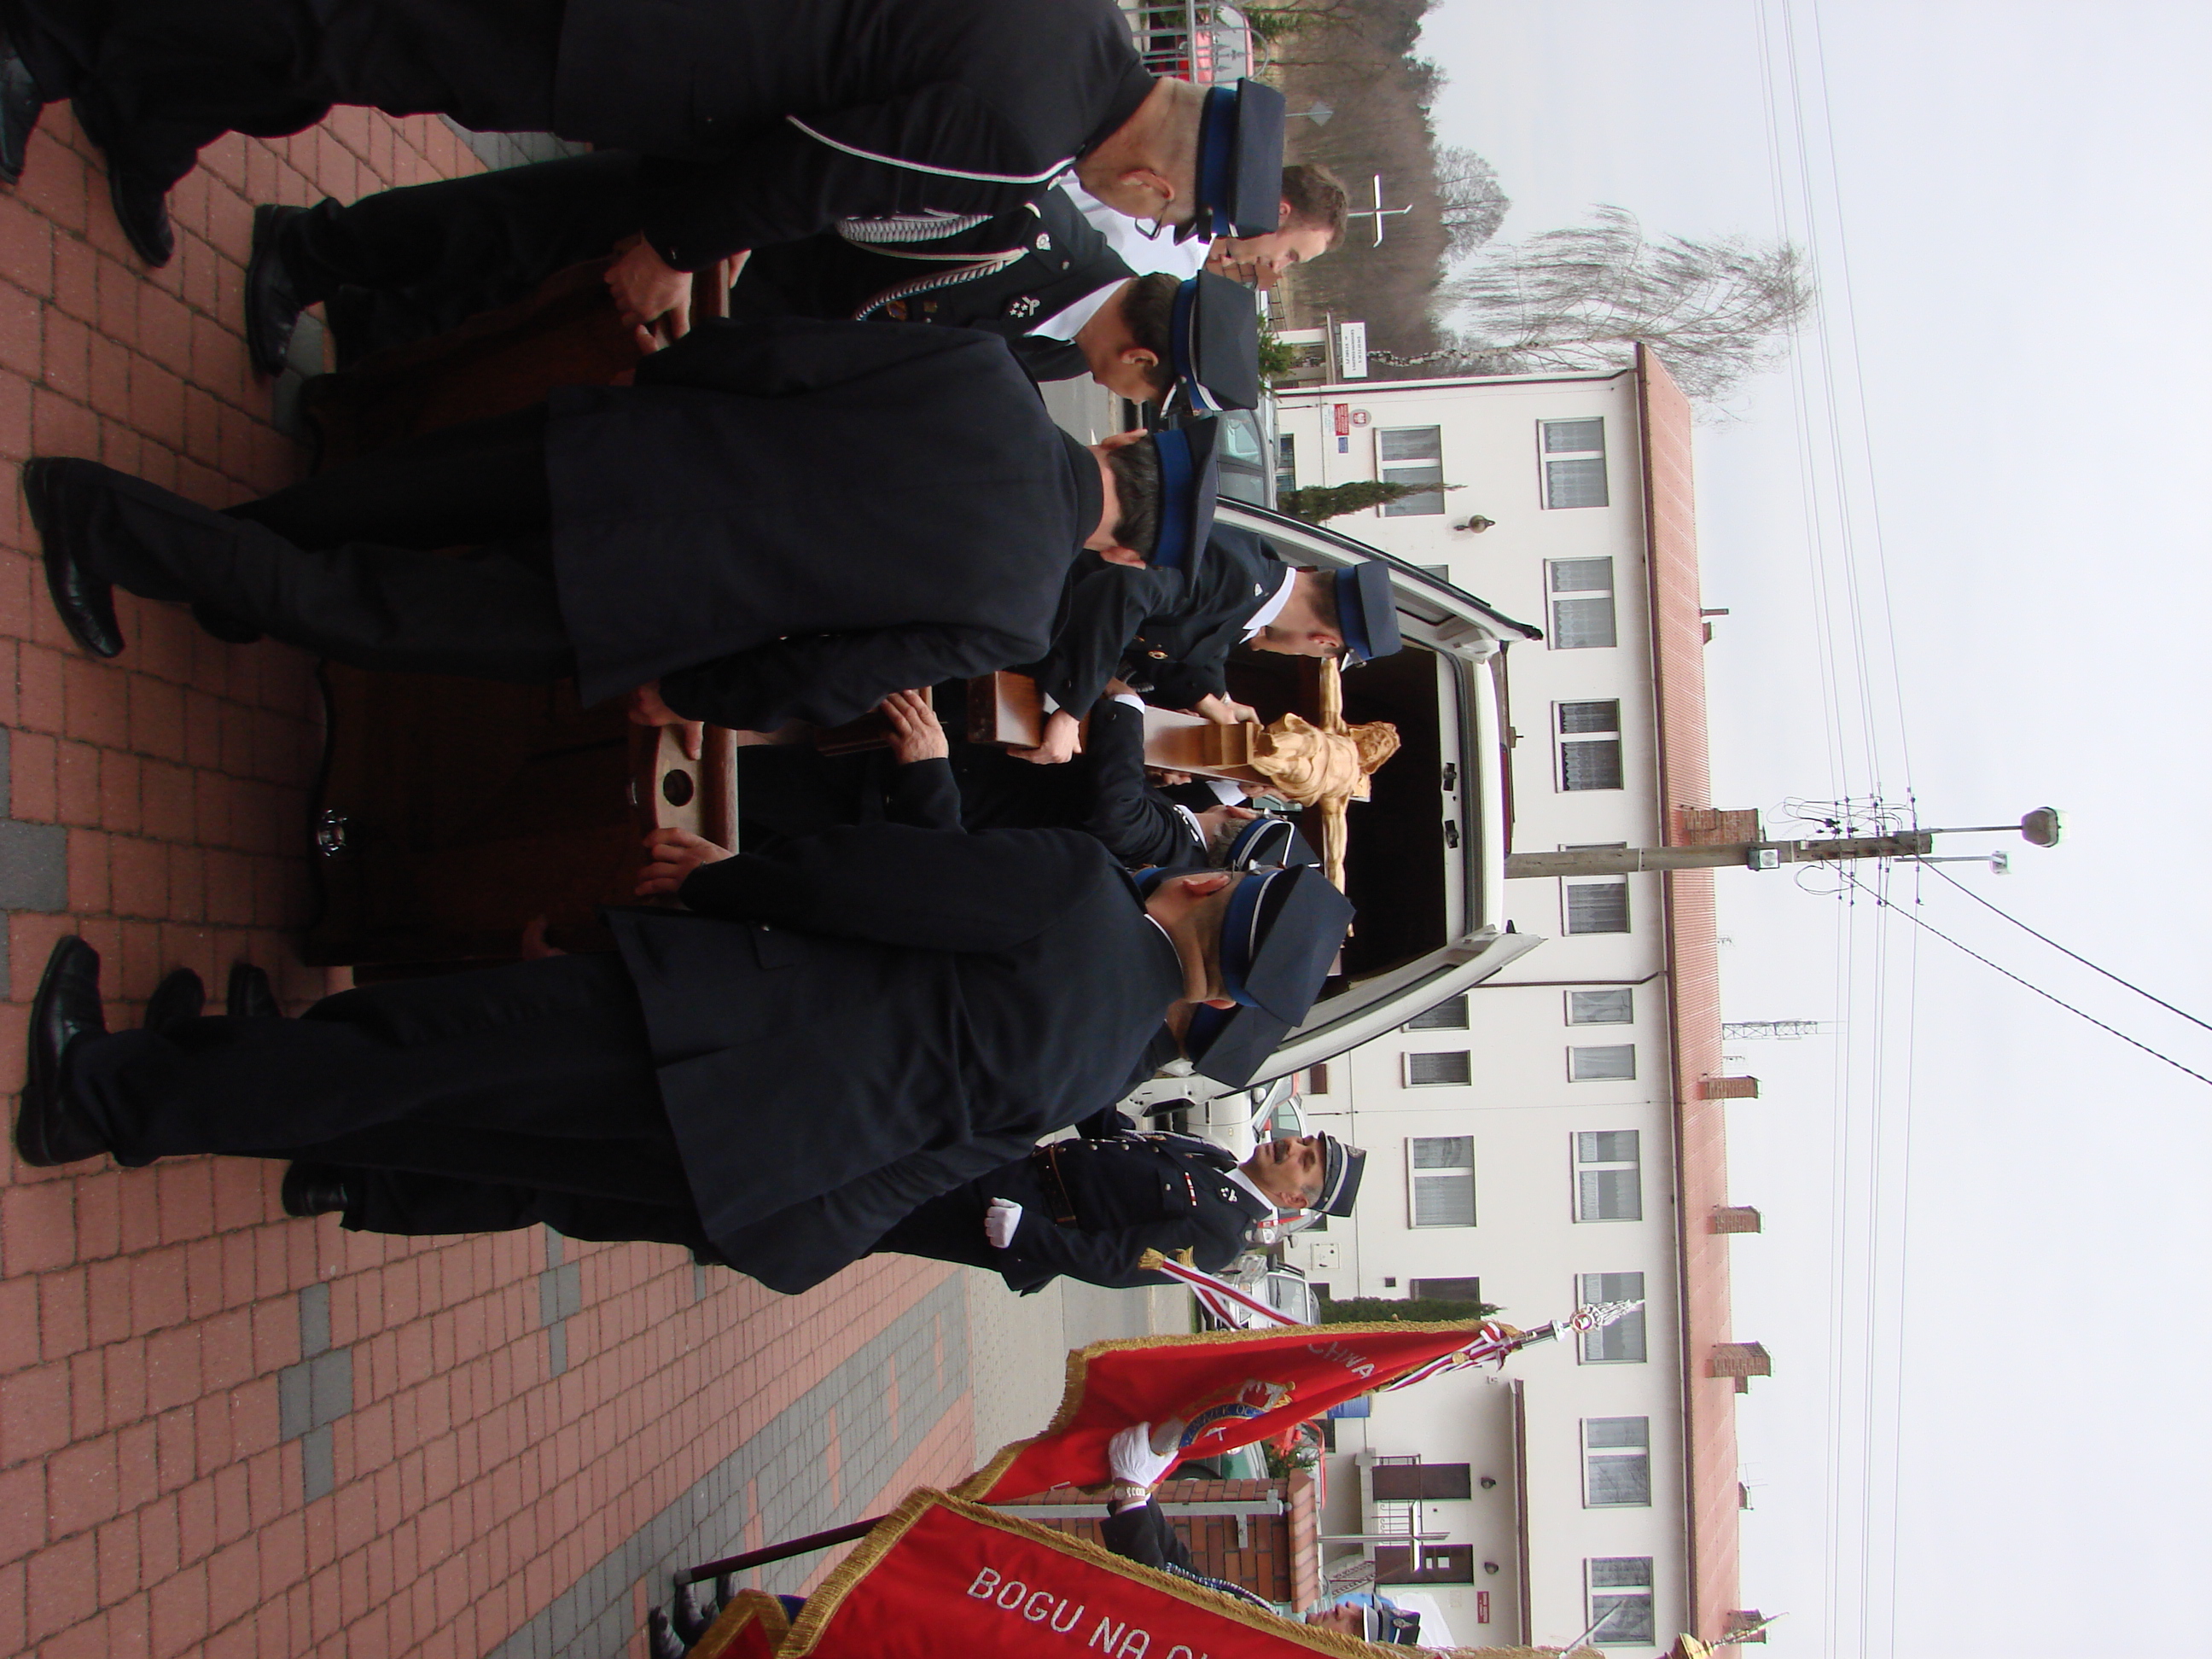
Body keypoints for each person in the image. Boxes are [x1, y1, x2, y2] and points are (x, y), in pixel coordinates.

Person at [19, 824, 1355, 1293]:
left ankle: (106, 1096)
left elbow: (860, 881)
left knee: (405, 1052)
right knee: (438, 1119)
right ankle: (188, 1072)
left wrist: (720, 882)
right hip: (739, 1151)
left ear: (1203, 885)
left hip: (706, 1031)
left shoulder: (1078, 894)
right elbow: (933, 1162)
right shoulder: (1112, 1067)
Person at [30, 317, 1216, 736]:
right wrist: (692, 694)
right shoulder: (1017, 615)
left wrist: (663, 384)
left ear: (1119, 441)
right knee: (372, 610)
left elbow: (779, 353)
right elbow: (829, 677)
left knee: (384, 495)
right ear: (1124, 553)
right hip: (652, 597)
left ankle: (221, 569)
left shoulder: (988, 375)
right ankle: (105, 522)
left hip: (635, 447)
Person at [0, 0, 1284, 275]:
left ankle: (149, 112)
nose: (1144, 217)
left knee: (357, 45)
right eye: (1163, 212)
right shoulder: (1022, 136)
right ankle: (49, 39)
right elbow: (813, 170)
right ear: (1155, 179)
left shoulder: (1080, 20)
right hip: (641, 44)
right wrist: (673, 247)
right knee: (353, 35)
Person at [242, 157, 1260, 416]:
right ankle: (310, 249)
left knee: (531, 296)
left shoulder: (1058, 351)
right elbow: (844, 187)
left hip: (735, 314)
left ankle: (371, 320)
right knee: (519, 225)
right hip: (721, 231)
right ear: (1142, 356)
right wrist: (703, 242)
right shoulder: (1026, 222)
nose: (1130, 400)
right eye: (1148, 390)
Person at [1022, 527, 1408, 765]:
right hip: (1025, 600)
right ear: (1325, 642)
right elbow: (1126, 591)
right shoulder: (1238, 579)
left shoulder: (1258, 578)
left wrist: (1214, 700)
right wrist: (1072, 710)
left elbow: (1177, 636)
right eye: (1321, 655)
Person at [873, 1124, 1365, 1292]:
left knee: (876, 1217)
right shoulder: (1216, 1159)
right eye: (1304, 1141)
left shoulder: (1220, 1237)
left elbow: (1117, 1263)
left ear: (1293, 1200)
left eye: (1305, 1161)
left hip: (1010, 1214)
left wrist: (1027, 1234)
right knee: (882, 1173)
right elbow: (1119, 1141)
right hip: (1017, 1166)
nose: (1292, 1146)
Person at [1058, 162, 1352, 288]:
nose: (1278, 266)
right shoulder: (1181, 259)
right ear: (1279, 212)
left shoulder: (1188, 160)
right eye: (1290, 254)